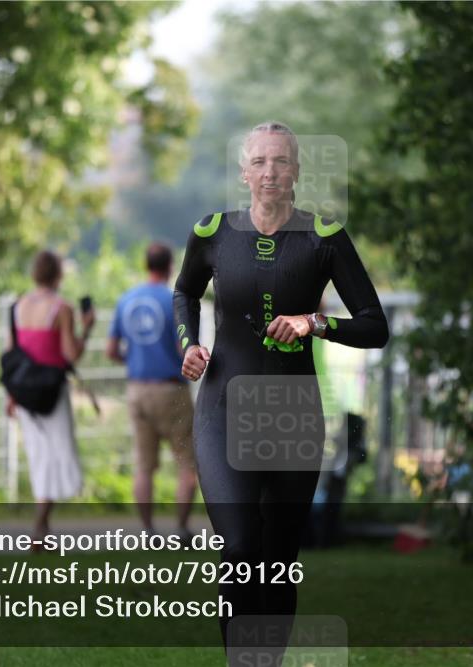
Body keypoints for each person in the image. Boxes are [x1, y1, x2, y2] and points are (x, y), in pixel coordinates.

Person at [174, 121, 389, 658]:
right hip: (224, 409)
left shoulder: (324, 236)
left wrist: (315, 324)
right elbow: (184, 292)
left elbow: (374, 324)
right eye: (260, 162)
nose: (271, 172)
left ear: (297, 171)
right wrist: (187, 344)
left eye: (282, 161)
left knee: (277, 557)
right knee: (241, 548)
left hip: (293, 413)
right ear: (244, 173)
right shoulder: (213, 233)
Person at [107, 242, 197, 537]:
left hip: (137, 389)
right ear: (170, 266)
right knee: (188, 464)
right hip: (171, 390)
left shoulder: (126, 300)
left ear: (147, 265)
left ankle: (147, 530)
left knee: (144, 467)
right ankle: (182, 529)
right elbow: (181, 348)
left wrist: (132, 359)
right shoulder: (174, 300)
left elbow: (111, 350)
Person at [7, 250, 95, 542]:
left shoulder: (17, 306)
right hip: (51, 392)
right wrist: (88, 329)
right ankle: (39, 526)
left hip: (24, 393)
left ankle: (43, 530)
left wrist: (11, 395)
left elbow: (11, 354)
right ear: (58, 275)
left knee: (38, 455)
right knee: (58, 455)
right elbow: (72, 354)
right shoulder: (62, 309)